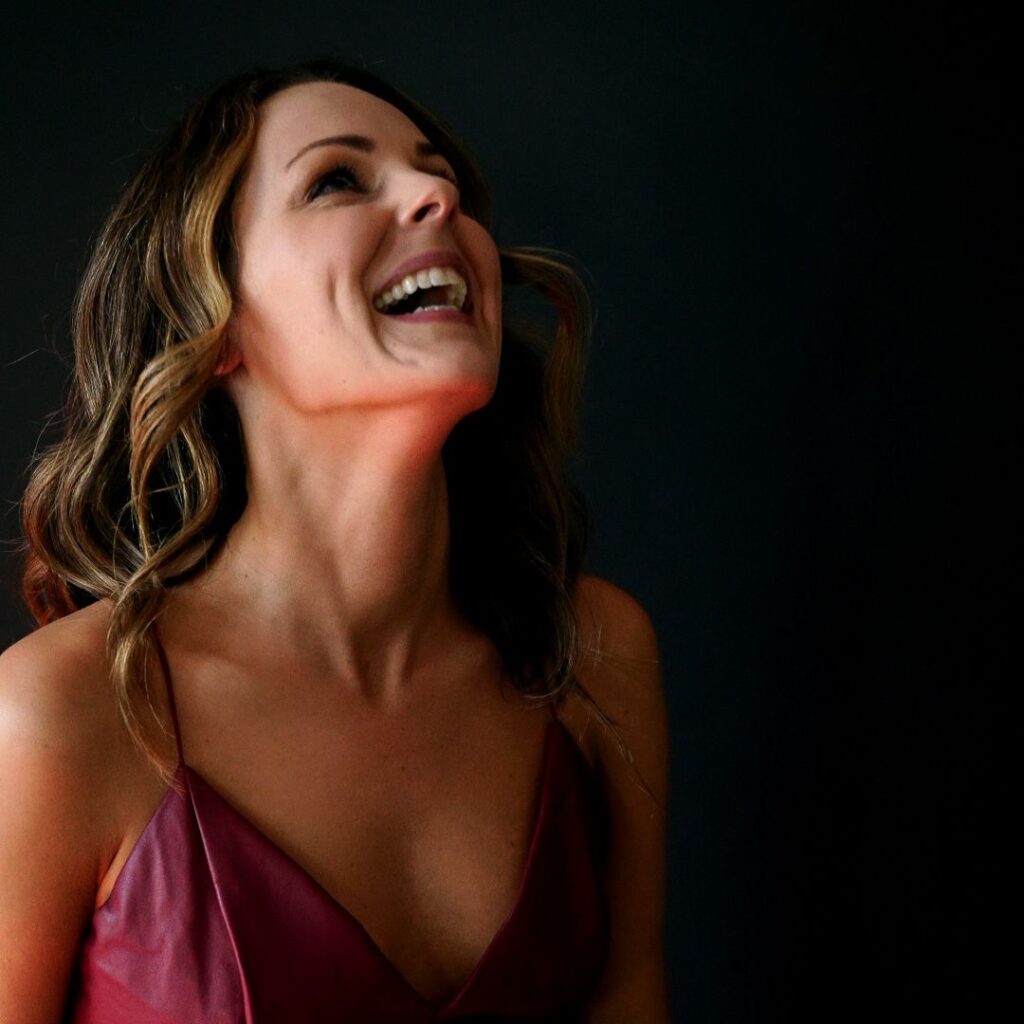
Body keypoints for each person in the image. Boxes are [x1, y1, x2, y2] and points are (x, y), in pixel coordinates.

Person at [0, 58, 669, 1022]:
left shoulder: (596, 655)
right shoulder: (67, 712)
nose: (439, 194)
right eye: (337, 179)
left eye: (438, 173)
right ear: (218, 323)